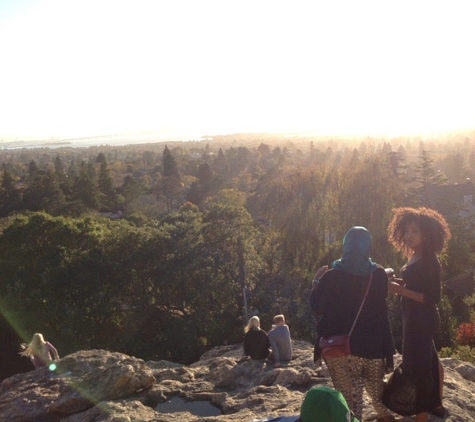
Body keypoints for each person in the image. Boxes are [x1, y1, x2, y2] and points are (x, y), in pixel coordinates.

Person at [310, 226, 395, 422]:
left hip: (341, 346)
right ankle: (385, 415)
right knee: (377, 389)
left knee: (349, 399)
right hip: (374, 345)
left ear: (346, 246)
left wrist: (316, 282)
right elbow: (382, 300)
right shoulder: (378, 274)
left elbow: (317, 307)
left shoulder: (331, 276)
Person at [387, 207, 451, 422]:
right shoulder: (416, 256)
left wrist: (402, 291)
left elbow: (433, 297)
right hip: (413, 318)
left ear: (426, 234)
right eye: (407, 231)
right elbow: (418, 284)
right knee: (431, 360)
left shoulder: (430, 260)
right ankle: (437, 404)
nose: (409, 235)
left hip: (422, 319)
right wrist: (401, 284)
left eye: (415, 231)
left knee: (418, 365)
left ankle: (421, 415)